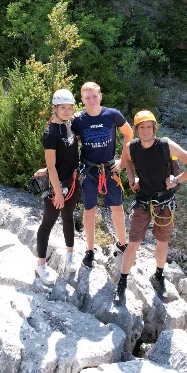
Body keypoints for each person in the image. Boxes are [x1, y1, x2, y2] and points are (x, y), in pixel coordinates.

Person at [116, 110, 187, 304]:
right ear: (136, 129)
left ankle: (159, 274)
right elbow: (128, 162)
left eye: (149, 127)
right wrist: (131, 178)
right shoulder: (132, 147)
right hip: (144, 199)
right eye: (142, 127)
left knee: (162, 241)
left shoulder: (166, 145)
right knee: (133, 242)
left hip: (165, 200)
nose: (146, 131)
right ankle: (122, 281)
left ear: (154, 128)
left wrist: (177, 180)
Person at [71, 82, 134, 269]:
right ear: (82, 100)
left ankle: (123, 244)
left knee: (117, 208)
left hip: (109, 169)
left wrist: (122, 162)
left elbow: (129, 134)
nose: (91, 100)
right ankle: (89, 250)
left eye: (94, 96)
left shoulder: (112, 115)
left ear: (101, 96)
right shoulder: (78, 120)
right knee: (89, 211)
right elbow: (69, 141)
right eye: (87, 97)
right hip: (89, 170)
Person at [32, 89, 82, 285]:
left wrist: (46, 169)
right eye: (63, 108)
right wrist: (57, 192)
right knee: (48, 223)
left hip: (72, 182)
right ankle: (41, 264)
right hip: (57, 186)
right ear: (54, 108)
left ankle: (70, 254)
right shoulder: (50, 133)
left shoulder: (68, 126)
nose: (67, 111)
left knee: (68, 218)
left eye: (70, 108)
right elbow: (53, 166)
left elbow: (63, 157)